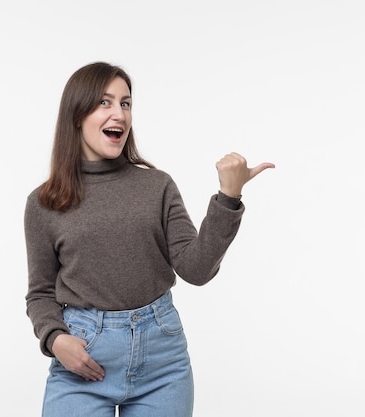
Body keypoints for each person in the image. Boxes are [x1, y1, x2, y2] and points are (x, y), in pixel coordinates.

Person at [24, 61, 275, 417]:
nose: (119, 114)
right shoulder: (44, 203)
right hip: (82, 355)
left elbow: (197, 269)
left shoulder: (156, 186)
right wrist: (55, 338)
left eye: (125, 104)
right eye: (105, 103)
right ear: (77, 115)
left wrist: (228, 198)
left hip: (162, 361)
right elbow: (40, 293)